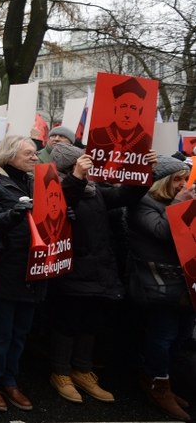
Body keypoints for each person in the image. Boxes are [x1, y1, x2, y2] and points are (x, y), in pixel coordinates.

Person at [0, 134, 82, 413]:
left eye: (35, 153)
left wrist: (64, 217)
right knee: (0, 332)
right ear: (10, 156)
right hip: (9, 267)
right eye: (29, 154)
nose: (36, 157)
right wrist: (16, 214)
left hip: (36, 268)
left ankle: (10, 380)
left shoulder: (41, 182)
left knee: (21, 332)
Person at [46, 142, 152, 405]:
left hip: (100, 268)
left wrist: (144, 169)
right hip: (72, 269)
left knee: (92, 321)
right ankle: (60, 372)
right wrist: (77, 178)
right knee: (68, 322)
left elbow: (127, 195)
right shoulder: (56, 187)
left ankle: (82, 370)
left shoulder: (97, 192)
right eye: (82, 165)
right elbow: (58, 206)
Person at [127, 155, 195, 421]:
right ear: (163, 181)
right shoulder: (144, 204)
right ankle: (157, 384)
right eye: (177, 179)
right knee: (163, 336)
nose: (182, 185)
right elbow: (162, 232)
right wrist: (181, 204)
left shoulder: (171, 202)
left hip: (185, 283)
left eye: (184, 179)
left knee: (180, 336)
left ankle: (157, 378)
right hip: (158, 284)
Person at [87, 77, 151, 156]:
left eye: (133, 108)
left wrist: (152, 162)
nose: (127, 115)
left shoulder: (147, 142)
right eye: (123, 106)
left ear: (139, 113)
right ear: (115, 109)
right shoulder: (95, 136)